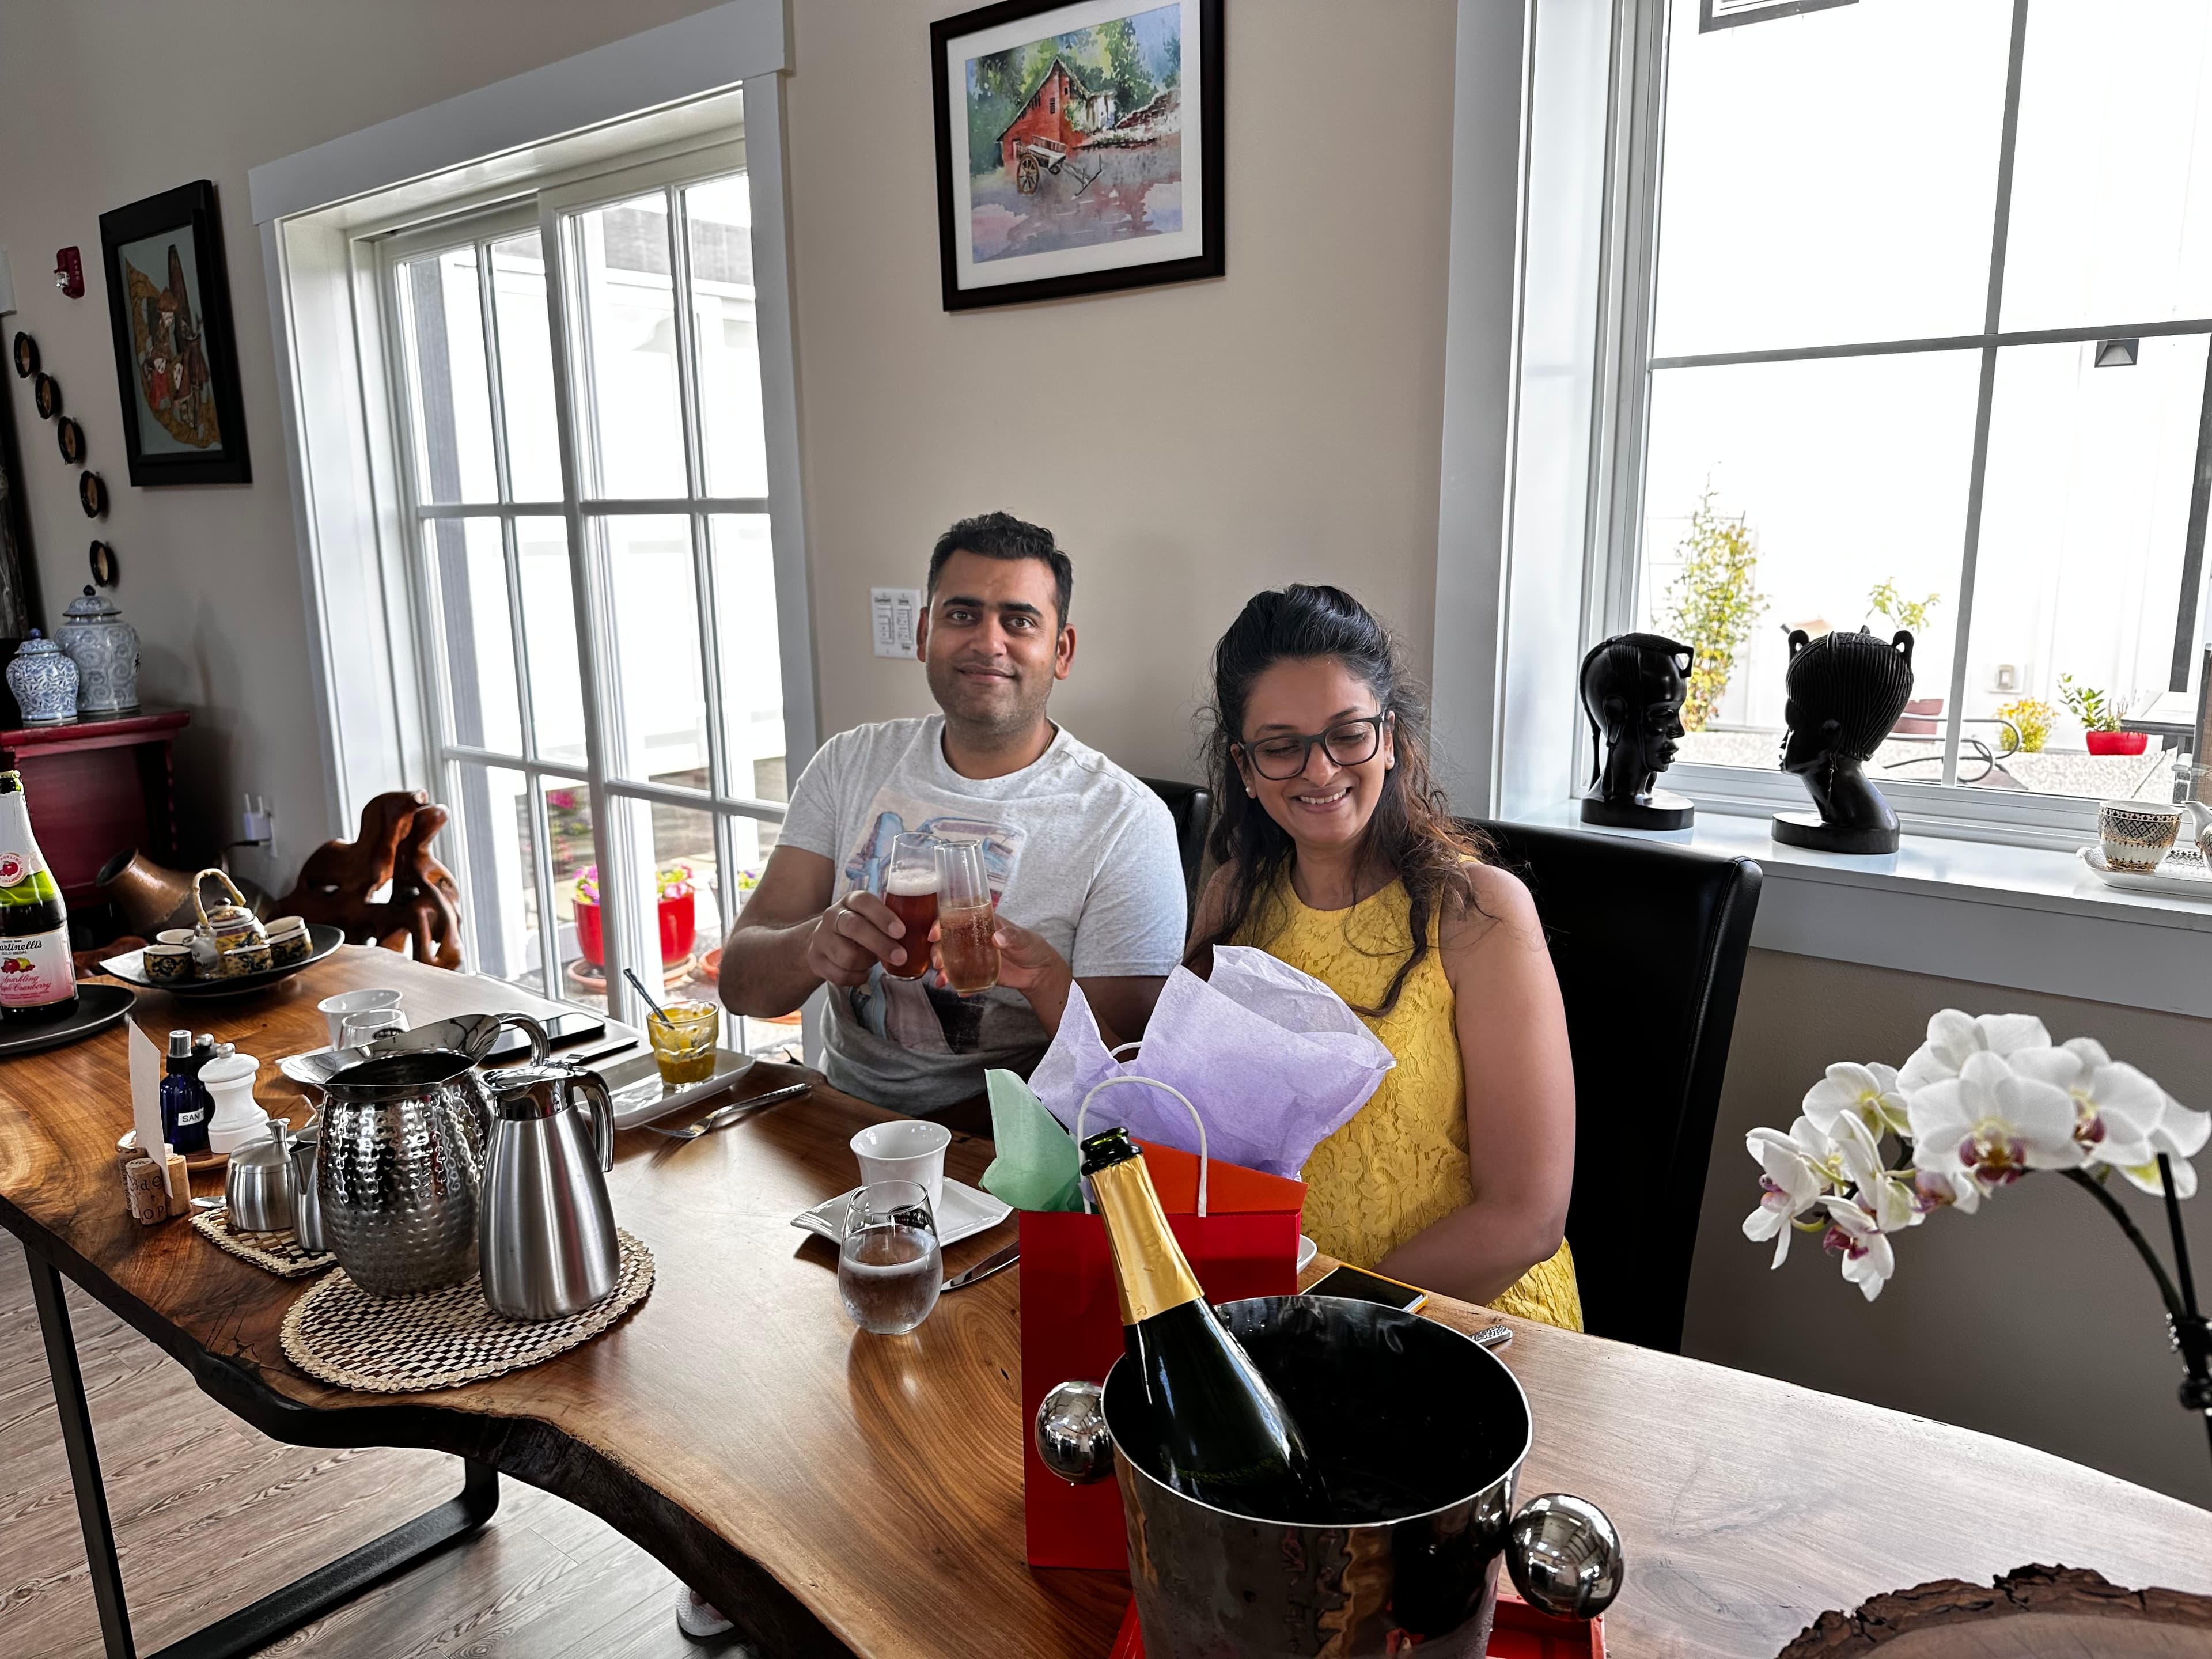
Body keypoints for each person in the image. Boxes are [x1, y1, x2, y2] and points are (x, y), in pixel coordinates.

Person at [994, 584, 1582, 1328]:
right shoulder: (1234, 898)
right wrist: (1048, 982)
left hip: (1464, 1323)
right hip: (1268, 1318)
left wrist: (1322, 1317)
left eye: (1348, 733)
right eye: (1281, 746)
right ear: (1244, 765)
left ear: (1390, 737)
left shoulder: (1479, 913)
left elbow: (1526, 1219)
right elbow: (1170, 1115)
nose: (1320, 769)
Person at [718, 511, 1186, 1119]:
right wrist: (813, 944)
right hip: (839, 1115)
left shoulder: (1125, 821)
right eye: (961, 615)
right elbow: (739, 985)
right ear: (923, 633)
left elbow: (1132, 1074)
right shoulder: (848, 762)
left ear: (1061, 650)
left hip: (1005, 1142)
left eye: (1019, 621)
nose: (988, 641)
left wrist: (1046, 979)